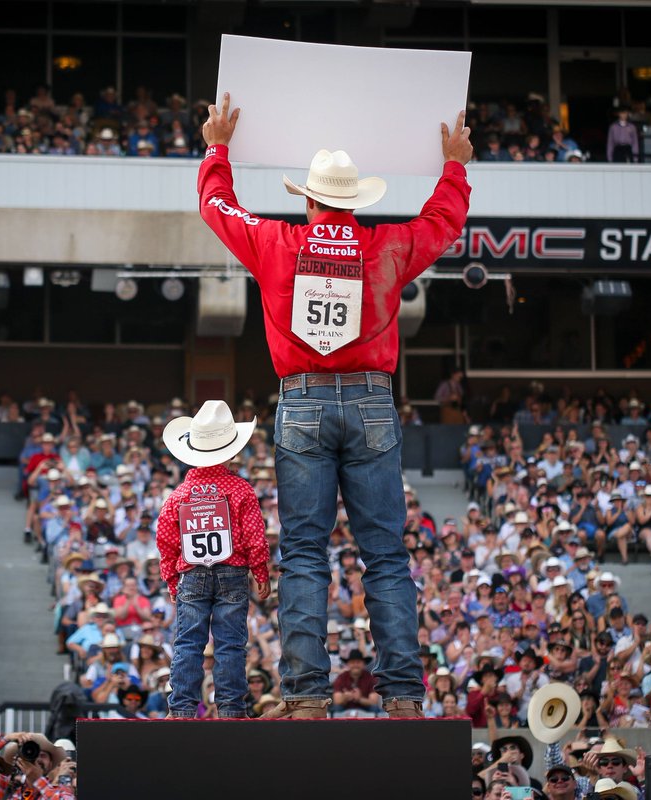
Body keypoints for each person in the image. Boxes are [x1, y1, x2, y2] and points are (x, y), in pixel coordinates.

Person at [197, 93, 473, 719]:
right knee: (384, 555)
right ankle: (402, 697)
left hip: (303, 403)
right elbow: (440, 224)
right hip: (373, 402)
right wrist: (453, 165)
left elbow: (217, 208)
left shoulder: (277, 243)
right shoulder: (387, 247)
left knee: (303, 552)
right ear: (355, 201)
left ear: (308, 198)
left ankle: (306, 696)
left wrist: (219, 149)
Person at [155, 401, 270, 719]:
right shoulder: (241, 490)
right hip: (232, 571)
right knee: (230, 641)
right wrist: (261, 571)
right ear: (231, 451)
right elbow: (254, 535)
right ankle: (232, 708)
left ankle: (181, 708)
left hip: (192, 573)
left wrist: (170, 577)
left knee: (188, 641)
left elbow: (166, 539)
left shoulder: (179, 495)